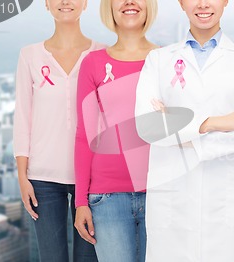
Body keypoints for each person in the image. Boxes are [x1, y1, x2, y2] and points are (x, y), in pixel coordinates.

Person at [134, 0, 234, 261]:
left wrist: (177, 131)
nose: (203, 4)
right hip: (174, 200)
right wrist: (216, 123)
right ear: (182, 3)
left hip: (229, 201)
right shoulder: (158, 60)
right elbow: (148, 126)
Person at [13, 0, 104, 261]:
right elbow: (23, 118)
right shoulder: (29, 55)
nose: (66, 2)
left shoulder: (101, 54)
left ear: (85, 4)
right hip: (42, 178)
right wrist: (22, 176)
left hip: (91, 178)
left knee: (89, 257)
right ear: (46, 4)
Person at [73, 0, 158, 261]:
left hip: (160, 193)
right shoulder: (93, 63)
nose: (130, 2)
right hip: (106, 198)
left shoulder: (167, 59)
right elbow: (83, 134)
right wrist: (80, 202)